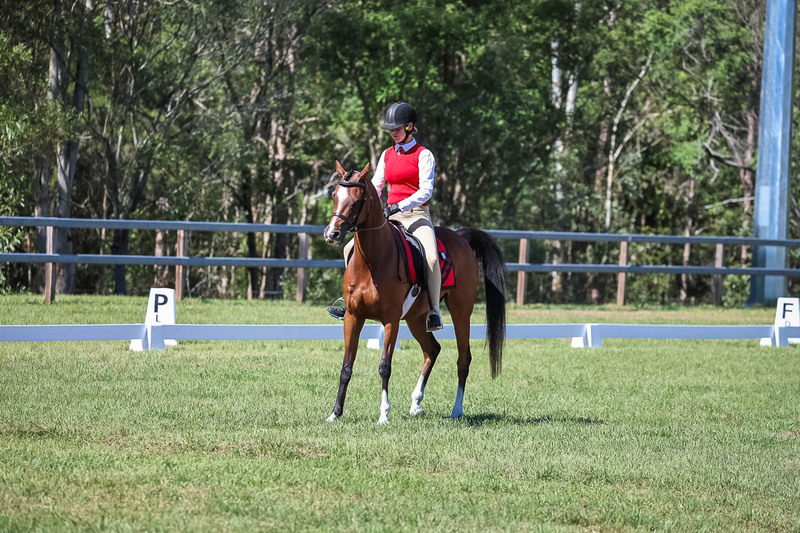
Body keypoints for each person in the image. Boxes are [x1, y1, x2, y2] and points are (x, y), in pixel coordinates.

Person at [328, 101, 443, 332]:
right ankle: (349, 300)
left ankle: (434, 311)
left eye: (397, 127)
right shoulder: (387, 154)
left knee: (431, 258)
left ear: (410, 127)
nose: (393, 132)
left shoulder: (424, 155)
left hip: (416, 215)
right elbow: (377, 185)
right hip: (389, 216)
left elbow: (425, 191)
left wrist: (399, 205)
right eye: (390, 128)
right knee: (347, 248)